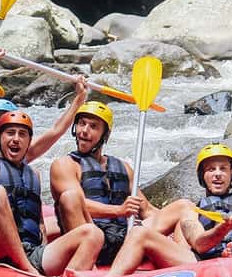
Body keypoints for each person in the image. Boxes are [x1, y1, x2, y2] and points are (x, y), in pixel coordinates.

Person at [0, 95, 103, 275]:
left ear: (29, 142)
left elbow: (38, 223)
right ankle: (26, 269)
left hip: (31, 250)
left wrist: (44, 248)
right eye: (10, 133)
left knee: (93, 234)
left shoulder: (33, 175)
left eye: (22, 134)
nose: (16, 139)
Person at [108, 143, 232, 275]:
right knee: (140, 233)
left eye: (223, 169)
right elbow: (200, 244)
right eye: (211, 170)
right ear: (203, 176)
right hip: (204, 267)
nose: (217, 175)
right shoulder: (191, 210)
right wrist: (222, 229)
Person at [49, 101, 194, 266]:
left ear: (106, 135)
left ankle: (185, 260)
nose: (84, 131)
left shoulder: (123, 167)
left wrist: (174, 229)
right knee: (69, 197)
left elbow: (146, 209)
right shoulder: (64, 165)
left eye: (93, 126)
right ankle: (86, 268)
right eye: (82, 124)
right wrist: (118, 210)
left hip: (124, 237)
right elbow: (74, 204)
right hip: (92, 239)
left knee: (184, 206)